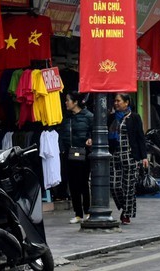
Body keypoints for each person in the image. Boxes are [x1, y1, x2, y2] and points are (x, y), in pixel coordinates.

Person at [108, 93, 148, 225]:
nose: (116, 103)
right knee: (115, 185)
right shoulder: (112, 118)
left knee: (129, 186)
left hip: (130, 155)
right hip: (115, 156)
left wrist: (143, 157)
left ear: (126, 103)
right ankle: (124, 206)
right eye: (115, 101)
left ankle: (126, 213)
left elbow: (140, 137)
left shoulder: (134, 117)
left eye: (119, 101)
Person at [60, 91, 93, 224]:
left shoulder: (89, 116)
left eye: (68, 100)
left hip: (84, 154)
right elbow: (63, 134)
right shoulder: (67, 118)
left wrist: (90, 139)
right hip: (69, 154)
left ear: (75, 102)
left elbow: (94, 132)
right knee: (72, 184)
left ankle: (88, 211)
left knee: (83, 183)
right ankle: (78, 213)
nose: (66, 103)